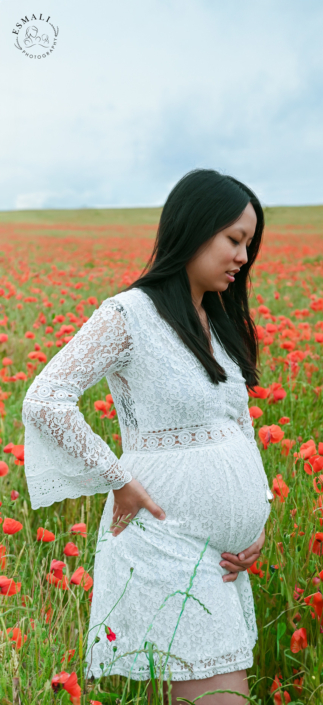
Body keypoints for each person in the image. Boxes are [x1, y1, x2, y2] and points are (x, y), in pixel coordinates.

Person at [21, 168, 274, 704]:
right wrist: (118, 478)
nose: (243, 258)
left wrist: (260, 514)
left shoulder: (216, 322)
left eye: (248, 244)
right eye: (234, 239)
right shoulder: (128, 316)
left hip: (225, 560)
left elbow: (239, 422)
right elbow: (46, 399)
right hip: (165, 536)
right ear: (193, 228)